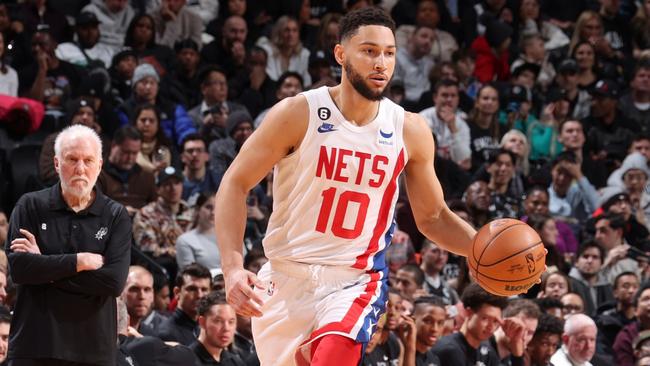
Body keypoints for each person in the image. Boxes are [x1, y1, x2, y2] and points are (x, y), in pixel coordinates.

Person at [214, 7, 478, 366]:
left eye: (389, 53)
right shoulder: (298, 112)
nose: (380, 62)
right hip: (285, 277)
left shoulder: (409, 129)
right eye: (369, 51)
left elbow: (432, 217)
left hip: (354, 281)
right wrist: (231, 268)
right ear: (341, 54)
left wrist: (481, 250)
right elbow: (235, 183)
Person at [5, 124, 131, 365]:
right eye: (72, 159)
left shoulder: (115, 215)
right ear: (56, 163)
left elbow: (113, 282)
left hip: (94, 351)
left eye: (88, 160)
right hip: (34, 346)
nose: (80, 168)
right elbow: (20, 270)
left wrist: (44, 266)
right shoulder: (29, 205)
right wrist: (78, 262)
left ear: (100, 165)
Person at [432, 283, 508, 365]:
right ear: (468, 313)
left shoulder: (487, 350)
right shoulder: (449, 350)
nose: (491, 326)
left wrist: (517, 353)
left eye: (495, 321)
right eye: (485, 318)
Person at [97, 125, 157, 216]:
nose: (130, 158)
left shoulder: (146, 177)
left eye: (134, 153)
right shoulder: (98, 175)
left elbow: (155, 206)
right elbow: (93, 207)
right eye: (126, 152)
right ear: (113, 145)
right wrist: (117, 212)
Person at [158, 263, 212, 346]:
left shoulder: (209, 329)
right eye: (192, 289)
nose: (199, 295)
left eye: (204, 289)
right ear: (177, 292)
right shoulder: (165, 334)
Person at [190, 291, 246, 366]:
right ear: (202, 322)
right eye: (218, 321)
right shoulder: (185, 360)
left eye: (231, 322)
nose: (226, 328)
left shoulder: (236, 362)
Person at [176, 192, 221, 271]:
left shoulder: (231, 237)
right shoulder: (185, 240)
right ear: (197, 209)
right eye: (208, 207)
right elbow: (189, 274)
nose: (213, 212)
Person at [121, 265, 167, 337]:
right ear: (120, 293)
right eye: (134, 289)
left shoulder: (151, 334)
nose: (142, 296)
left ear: (152, 295)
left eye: (147, 290)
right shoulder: (106, 330)